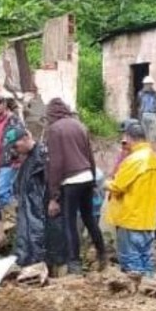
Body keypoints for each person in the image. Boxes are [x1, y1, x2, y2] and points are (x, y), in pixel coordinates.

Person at [43, 98, 106, 274]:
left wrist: (54, 196)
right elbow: (90, 155)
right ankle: (102, 253)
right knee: (89, 218)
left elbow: (55, 164)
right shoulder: (79, 126)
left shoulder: (54, 130)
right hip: (87, 177)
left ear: (51, 114)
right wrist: (93, 180)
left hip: (70, 181)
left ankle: (74, 264)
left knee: (69, 223)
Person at [106, 120, 156, 276]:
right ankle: (149, 288)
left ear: (128, 137)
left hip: (130, 218)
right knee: (146, 259)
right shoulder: (155, 159)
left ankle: (135, 290)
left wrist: (103, 183)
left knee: (131, 262)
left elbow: (117, 186)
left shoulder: (134, 160)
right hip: (148, 220)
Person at [11, 125, 61, 268]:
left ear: (25, 138)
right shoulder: (28, 160)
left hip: (40, 210)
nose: (15, 150)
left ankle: (42, 265)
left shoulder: (42, 156)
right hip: (28, 209)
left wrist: (54, 199)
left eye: (16, 146)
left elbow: (53, 181)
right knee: (26, 238)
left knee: (39, 239)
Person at [135, 76, 156, 146]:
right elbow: (138, 106)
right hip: (144, 115)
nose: (147, 86)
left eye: (149, 84)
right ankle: (148, 146)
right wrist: (138, 117)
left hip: (153, 115)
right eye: (146, 84)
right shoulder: (140, 94)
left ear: (152, 84)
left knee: (155, 133)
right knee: (145, 133)